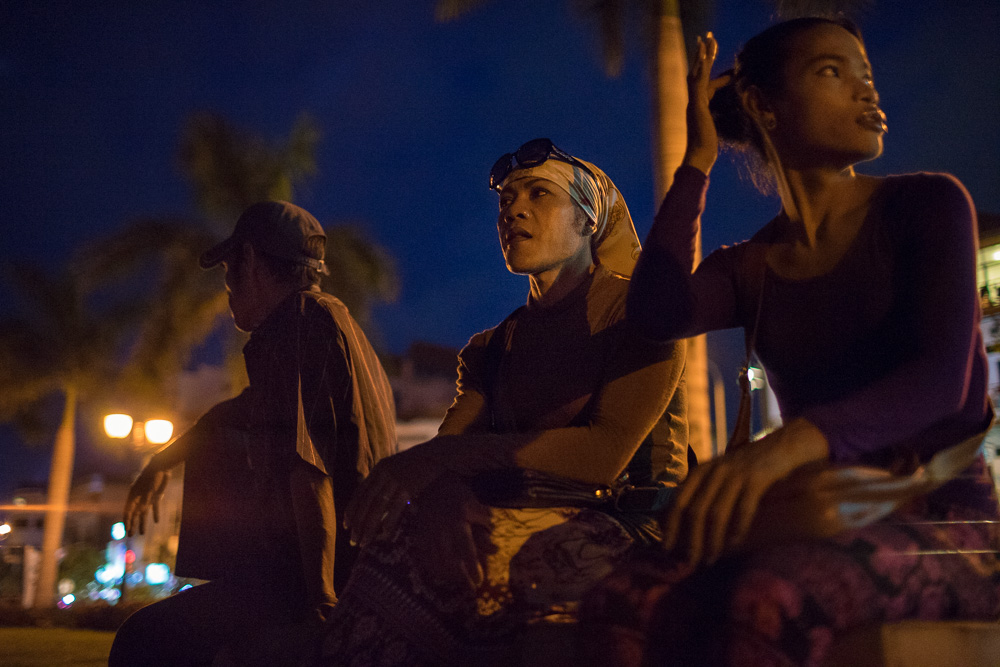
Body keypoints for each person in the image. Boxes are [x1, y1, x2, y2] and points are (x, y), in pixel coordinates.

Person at [579, 18, 1000, 667]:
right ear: (763, 107)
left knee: (764, 600)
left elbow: (942, 380)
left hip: (952, 522)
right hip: (821, 513)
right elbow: (656, 310)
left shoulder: (928, 205)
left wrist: (782, 450)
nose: (867, 92)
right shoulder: (754, 265)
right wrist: (697, 159)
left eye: (866, 74)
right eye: (833, 72)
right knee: (620, 600)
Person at [319, 140, 690, 665]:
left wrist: (441, 463)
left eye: (539, 194)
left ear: (588, 222)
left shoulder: (642, 317)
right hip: (520, 510)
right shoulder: (492, 347)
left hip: (633, 524)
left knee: (530, 568)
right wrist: (442, 495)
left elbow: (602, 454)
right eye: (506, 201)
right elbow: (451, 447)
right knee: (398, 547)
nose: (513, 209)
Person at [109, 201, 397, 666]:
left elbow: (309, 466)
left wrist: (319, 597)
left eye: (228, 266)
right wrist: (161, 460)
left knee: (142, 642)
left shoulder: (301, 321)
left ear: (251, 262)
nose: (225, 283)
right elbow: (232, 416)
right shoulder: (331, 319)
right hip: (337, 570)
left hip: (319, 577)